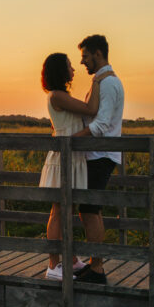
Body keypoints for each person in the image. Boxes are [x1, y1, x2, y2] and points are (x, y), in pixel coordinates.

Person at [38, 52, 114, 281]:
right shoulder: (57, 95)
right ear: (61, 71)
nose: (74, 69)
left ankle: (70, 261)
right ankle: (53, 265)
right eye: (70, 66)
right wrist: (98, 80)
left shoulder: (62, 95)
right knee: (59, 211)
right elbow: (91, 110)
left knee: (67, 210)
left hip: (72, 157)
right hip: (63, 157)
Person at [72, 34, 124, 285]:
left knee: (90, 209)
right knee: (91, 210)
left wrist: (71, 140)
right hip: (97, 153)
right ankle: (95, 265)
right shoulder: (101, 81)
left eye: (85, 56)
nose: (82, 62)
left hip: (102, 153)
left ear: (98, 54)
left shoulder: (109, 84)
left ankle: (98, 269)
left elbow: (102, 124)